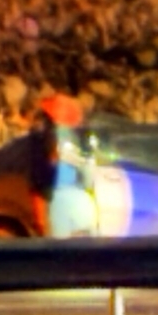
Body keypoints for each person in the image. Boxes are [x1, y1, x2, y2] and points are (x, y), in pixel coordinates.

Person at [31, 93, 98, 238]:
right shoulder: (73, 145)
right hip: (75, 202)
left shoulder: (48, 144)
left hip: (63, 203)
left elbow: (40, 184)